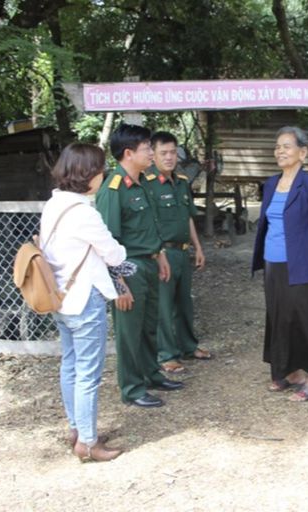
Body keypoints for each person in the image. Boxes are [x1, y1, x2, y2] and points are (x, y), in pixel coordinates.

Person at [41, 143, 126, 462]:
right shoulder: (83, 213)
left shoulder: (54, 205)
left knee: (71, 365)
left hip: (60, 297)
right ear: (89, 175)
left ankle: (77, 428)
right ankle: (88, 443)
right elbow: (113, 253)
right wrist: (122, 256)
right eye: (101, 169)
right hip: (84, 300)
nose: (104, 175)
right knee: (89, 373)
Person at [95, 123, 184, 409]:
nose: (151, 152)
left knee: (148, 326)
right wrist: (119, 285)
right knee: (129, 332)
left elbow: (147, 226)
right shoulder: (113, 188)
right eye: (147, 148)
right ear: (129, 153)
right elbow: (108, 241)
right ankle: (132, 389)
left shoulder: (143, 182)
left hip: (150, 264)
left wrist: (160, 256)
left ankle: (151, 374)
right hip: (128, 269)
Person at [252, 126, 308, 402]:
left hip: (302, 264)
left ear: (303, 152)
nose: (280, 151)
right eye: (277, 147)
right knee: (279, 318)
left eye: (286, 146)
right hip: (273, 262)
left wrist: (307, 255)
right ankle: (290, 372)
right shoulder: (272, 184)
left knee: (304, 320)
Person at [147, 131, 211, 373]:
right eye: (163, 153)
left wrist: (198, 247)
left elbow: (188, 218)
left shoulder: (182, 181)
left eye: (173, 152)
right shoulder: (147, 183)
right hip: (162, 253)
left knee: (185, 303)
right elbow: (147, 222)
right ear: (152, 155)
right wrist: (156, 252)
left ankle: (188, 346)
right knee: (164, 306)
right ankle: (167, 354)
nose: (169, 157)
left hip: (183, 252)